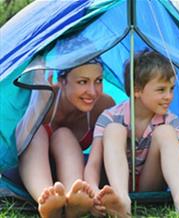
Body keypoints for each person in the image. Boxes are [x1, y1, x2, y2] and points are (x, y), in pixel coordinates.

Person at [84, 51, 179, 217]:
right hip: (115, 184)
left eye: (171, 89)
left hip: (150, 182)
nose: (169, 96)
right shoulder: (109, 116)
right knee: (114, 129)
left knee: (166, 132)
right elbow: (93, 164)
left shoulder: (170, 120)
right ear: (137, 90)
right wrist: (94, 192)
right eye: (161, 90)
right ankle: (122, 201)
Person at [18, 58, 115, 218]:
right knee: (36, 132)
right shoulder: (45, 95)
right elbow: (19, 140)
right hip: (32, 168)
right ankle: (46, 200)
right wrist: (40, 101)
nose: (92, 91)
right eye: (83, 82)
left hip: (71, 166)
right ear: (62, 81)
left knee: (64, 135)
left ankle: (73, 196)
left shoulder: (103, 106)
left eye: (98, 81)